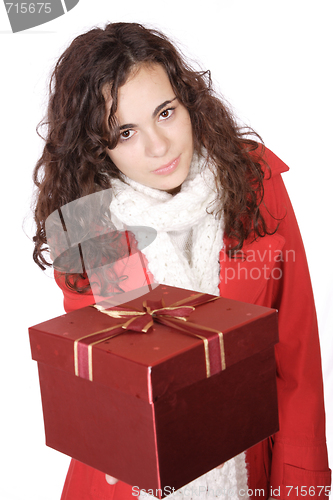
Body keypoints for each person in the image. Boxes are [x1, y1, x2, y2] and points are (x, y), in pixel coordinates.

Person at [32, 22, 331, 500]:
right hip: (128, 483)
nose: (158, 146)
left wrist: (301, 484)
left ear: (188, 102)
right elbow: (117, 371)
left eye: (165, 112)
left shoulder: (255, 183)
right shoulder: (91, 222)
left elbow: (296, 352)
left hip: (253, 468)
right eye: (125, 131)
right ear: (97, 147)